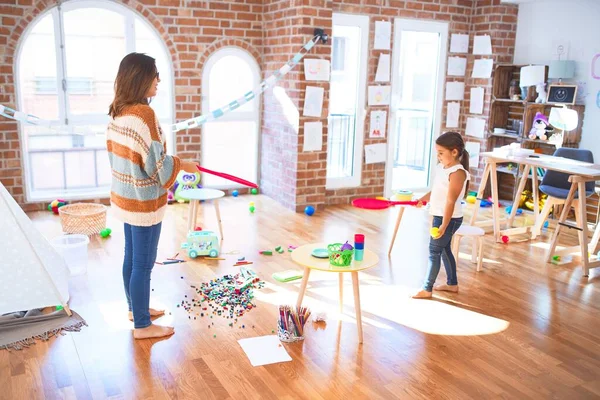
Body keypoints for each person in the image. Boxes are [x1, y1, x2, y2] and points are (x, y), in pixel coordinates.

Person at [106, 53, 198, 339]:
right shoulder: (144, 114)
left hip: (125, 198)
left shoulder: (118, 111)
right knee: (143, 264)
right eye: (154, 75)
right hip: (143, 202)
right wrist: (183, 164)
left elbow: (121, 156)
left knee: (131, 258)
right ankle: (143, 326)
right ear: (140, 78)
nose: (159, 80)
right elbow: (156, 166)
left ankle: (137, 309)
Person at [412, 131, 470, 299]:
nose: (438, 156)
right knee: (444, 250)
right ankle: (452, 284)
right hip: (439, 216)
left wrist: (444, 225)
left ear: (454, 152)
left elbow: (450, 201)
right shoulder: (442, 168)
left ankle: (427, 288)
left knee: (434, 251)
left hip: (449, 219)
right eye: (437, 153)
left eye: (441, 153)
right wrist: (423, 199)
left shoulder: (458, 173)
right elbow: (437, 190)